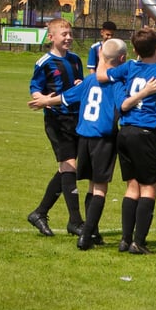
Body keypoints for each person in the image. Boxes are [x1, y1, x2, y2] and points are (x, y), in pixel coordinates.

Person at [27, 38, 130, 249]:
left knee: (89, 184)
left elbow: (66, 97)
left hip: (84, 137)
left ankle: (89, 229)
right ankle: (86, 234)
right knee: (98, 188)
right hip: (103, 139)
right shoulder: (117, 83)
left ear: (101, 56)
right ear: (123, 59)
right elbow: (124, 105)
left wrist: (46, 101)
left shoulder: (89, 81)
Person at [97, 29, 156, 254]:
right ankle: (139, 242)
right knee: (149, 188)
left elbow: (102, 76)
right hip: (146, 133)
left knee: (132, 187)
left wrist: (104, 54)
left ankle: (125, 239)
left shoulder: (129, 67)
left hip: (125, 132)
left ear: (134, 50)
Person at [27, 18, 85, 237]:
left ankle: (40, 213)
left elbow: (78, 84)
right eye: (64, 34)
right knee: (69, 166)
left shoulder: (76, 60)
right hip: (56, 120)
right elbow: (35, 86)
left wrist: (81, 84)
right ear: (51, 37)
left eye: (70, 33)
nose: (68, 37)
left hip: (75, 118)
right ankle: (76, 221)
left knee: (66, 169)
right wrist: (40, 97)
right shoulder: (44, 62)